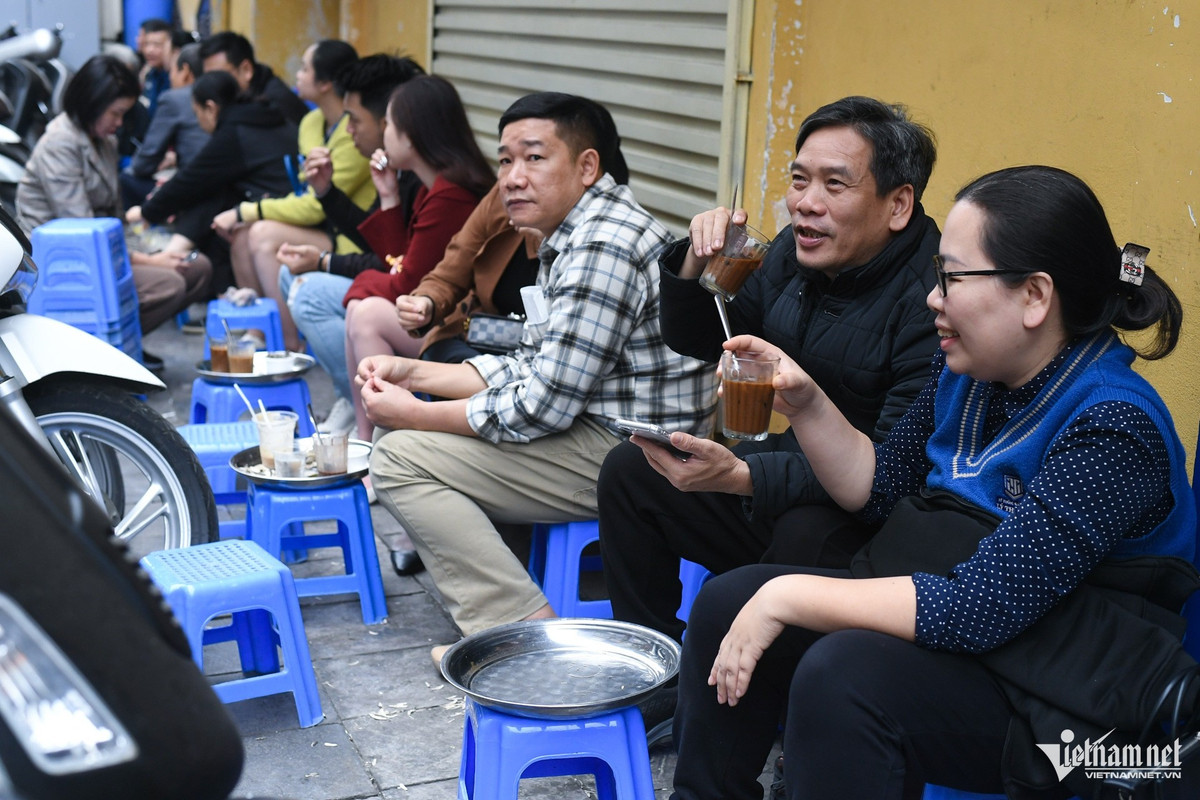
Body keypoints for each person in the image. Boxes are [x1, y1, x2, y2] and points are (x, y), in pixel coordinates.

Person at [670, 165, 1198, 800]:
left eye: (951, 278)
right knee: (728, 602)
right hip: (978, 631)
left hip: (1070, 702)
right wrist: (807, 403)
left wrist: (787, 597)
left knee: (844, 677)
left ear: (1034, 295)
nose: (933, 298)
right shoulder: (969, 374)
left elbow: (979, 608)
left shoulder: (1113, 427)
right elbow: (879, 489)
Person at [360, 92, 717, 659]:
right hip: (601, 431)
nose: (512, 178)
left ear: (586, 167)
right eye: (504, 161)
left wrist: (417, 412)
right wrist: (414, 369)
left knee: (398, 455)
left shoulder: (605, 243)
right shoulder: (571, 232)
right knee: (404, 439)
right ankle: (515, 620)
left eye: (533, 158)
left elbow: (540, 407)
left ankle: (525, 637)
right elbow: (533, 365)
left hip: (638, 457)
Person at [598, 96, 942, 647]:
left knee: (803, 530)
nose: (805, 204)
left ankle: (762, 687)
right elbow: (704, 338)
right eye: (799, 179)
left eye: (835, 184)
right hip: (788, 467)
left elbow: (892, 476)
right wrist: (694, 258)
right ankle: (651, 663)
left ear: (898, 204)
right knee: (633, 473)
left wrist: (743, 477)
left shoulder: (933, 304)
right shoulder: (792, 251)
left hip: (875, 515)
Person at [276, 53, 425, 436]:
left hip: (426, 314)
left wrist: (325, 262)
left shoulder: (429, 181)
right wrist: (326, 191)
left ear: (393, 121)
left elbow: (398, 268)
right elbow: (384, 246)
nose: (347, 131)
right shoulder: (400, 173)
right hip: (408, 293)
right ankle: (354, 400)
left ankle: (369, 410)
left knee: (319, 295)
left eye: (354, 120)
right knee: (293, 278)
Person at [341, 74, 495, 439]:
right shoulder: (436, 187)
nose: (384, 133)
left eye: (389, 124)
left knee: (366, 314)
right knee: (359, 309)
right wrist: (389, 198)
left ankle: (380, 443)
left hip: (464, 330)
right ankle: (367, 439)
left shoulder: (451, 196)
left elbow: (405, 284)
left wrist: (361, 285)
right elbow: (398, 263)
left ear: (412, 133)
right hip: (438, 318)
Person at [15, 55, 191, 343]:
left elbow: (116, 219)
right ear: (91, 104)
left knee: (196, 269)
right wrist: (152, 261)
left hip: (100, 253)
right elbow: (82, 232)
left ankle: (119, 339)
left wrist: (152, 253)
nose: (120, 123)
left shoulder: (104, 142)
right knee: (169, 283)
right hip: (67, 264)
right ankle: (100, 347)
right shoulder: (60, 143)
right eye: (115, 113)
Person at [211, 39, 365, 352]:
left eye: (305, 68)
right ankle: (259, 332)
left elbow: (316, 206)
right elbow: (305, 190)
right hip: (321, 228)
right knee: (242, 236)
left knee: (264, 235)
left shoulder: (354, 132)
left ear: (325, 83)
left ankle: (288, 345)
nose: (297, 74)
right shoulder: (310, 122)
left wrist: (246, 210)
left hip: (348, 236)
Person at [126, 69, 296, 292]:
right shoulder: (260, 116)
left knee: (211, 193)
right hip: (277, 199)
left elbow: (191, 180)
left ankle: (174, 257)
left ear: (211, 107)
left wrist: (146, 212)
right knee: (216, 191)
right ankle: (177, 256)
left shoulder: (235, 132)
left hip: (281, 209)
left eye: (197, 113)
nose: (198, 121)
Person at [120, 42, 210, 208]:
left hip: (195, 189)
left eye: (173, 71)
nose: (170, 77)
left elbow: (145, 161)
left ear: (186, 72)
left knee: (125, 180)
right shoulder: (225, 95)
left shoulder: (174, 99)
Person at [199, 31, 310, 127]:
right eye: (207, 77)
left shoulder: (274, 106)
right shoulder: (246, 96)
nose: (210, 83)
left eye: (218, 75)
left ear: (246, 70)